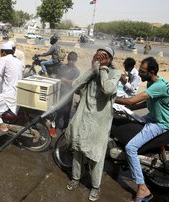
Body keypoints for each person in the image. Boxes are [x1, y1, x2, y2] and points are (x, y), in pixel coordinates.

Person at [65, 47, 121, 201]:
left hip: (99, 123)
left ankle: (95, 186)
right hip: (84, 118)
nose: (99, 58)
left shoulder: (114, 73)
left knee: (96, 156)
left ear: (109, 60)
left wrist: (102, 69)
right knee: (77, 149)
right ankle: (76, 177)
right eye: (98, 55)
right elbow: (75, 84)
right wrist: (92, 69)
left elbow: (108, 89)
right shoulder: (92, 72)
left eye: (104, 57)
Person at [116, 57, 169, 202]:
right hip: (152, 116)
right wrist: (128, 108)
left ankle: (143, 189)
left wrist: (113, 98)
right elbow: (145, 103)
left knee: (131, 148)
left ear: (151, 72)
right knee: (127, 119)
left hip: (160, 122)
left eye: (142, 72)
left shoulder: (159, 85)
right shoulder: (151, 81)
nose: (139, 74)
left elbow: (131, 99)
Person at [55, 52, 80, 136]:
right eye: (69, 60)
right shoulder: (62, 67)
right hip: (60, 92)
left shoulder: (76, 71)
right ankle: (57, 126)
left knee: (66, 111)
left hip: (69, 94)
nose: (71, 62)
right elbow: (58, 78)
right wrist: (65, 81)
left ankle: (64, 127)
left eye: (73, 60)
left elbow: (74, 83)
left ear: (75, 61)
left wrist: (65, 80)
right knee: (58, 109)